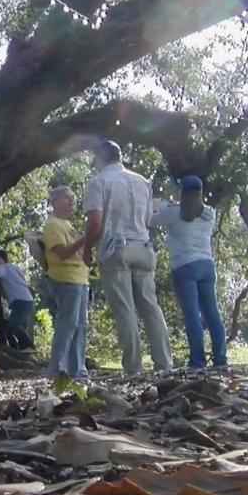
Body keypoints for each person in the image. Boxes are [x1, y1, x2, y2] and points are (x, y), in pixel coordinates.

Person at [81, 139, 172, 375]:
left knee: (125, 309)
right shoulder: (142, 181)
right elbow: (149, 219)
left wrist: (87, 247)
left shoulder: (98, 181)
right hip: (143, 244)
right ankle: (164, 363)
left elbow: (96, 220)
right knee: (151, 307)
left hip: (116, 247)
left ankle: (134, 367)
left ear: (100, 158)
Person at [150, 175, 228, 370]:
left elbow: (149, 220)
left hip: (184, 266)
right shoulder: (209, 213)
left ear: (182, 192)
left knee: (192, 314)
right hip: (206, 264)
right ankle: (220, 359)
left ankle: (197, 361)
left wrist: (160, 205)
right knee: (212, 313)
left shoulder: (173, 213)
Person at [40, 186, 91, 381]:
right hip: (65, 278)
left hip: (81, 279)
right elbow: (61, 252)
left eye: (73, 198)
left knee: (80, 325)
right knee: (68, 324)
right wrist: (85, 237)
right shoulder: (53, 225)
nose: (72, 202)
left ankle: (77, 369)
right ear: (54, 202)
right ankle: (57, 369)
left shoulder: (68, 225)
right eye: (67, 198)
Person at [0, 249, 36, 351]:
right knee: (21, 327)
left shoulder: (3, 268)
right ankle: (24, 351)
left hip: (19, 301)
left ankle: (28, 346)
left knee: (14, 325)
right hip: (28, 300)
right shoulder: (14, 268)